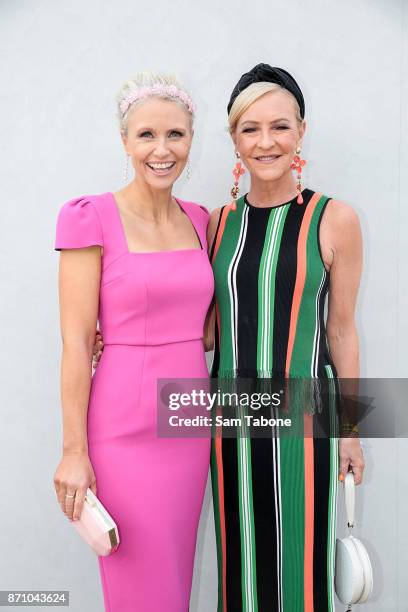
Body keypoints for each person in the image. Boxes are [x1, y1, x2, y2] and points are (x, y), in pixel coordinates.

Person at [206, 63, 365, 612]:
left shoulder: (333, 218)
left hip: (305, 413)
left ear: (301, 131)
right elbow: (204, 326)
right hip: (231, 413)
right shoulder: (217, 224)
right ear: (234, 139)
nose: (266, 141)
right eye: (250, 129)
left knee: (302, 571)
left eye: (280, 125)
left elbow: (342, 330)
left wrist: (350, 431)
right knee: (241, 567)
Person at [52, 72, 214, 612]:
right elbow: (76, 343)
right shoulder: (89, 217)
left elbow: (206, 328)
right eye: (146, 135)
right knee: (139, 587)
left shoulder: (200, 221)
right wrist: (74, 452)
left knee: (174, 575)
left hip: (189, 422)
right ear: (125, 141)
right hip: (123, 428)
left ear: (192, 139)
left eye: (176, 135)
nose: (162, 150)